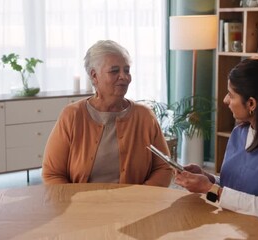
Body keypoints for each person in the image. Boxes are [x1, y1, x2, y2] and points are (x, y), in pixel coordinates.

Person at [175, 58, 258, 239]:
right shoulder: (240, 132)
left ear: (252, 104)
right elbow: (239, 186)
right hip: (231, 227)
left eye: (231, 95)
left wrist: (211, 189)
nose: (225, 100)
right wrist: (208, 179)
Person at [42, 40, 173, 186]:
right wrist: (74, 204)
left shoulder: (145, 116)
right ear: (94, 76)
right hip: (81, 205)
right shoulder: (72, 115)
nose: (124, 77)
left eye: (127, 70)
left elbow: (164, 167)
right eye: (115, 71)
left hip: (134, 205)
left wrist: (140, 200)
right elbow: (52, 174)